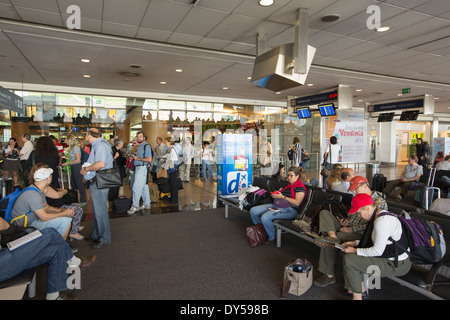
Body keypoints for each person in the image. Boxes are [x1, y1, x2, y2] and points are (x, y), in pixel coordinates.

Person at [0, 219, 94, 300]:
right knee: (50, 233)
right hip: (3, 263)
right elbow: (6, 226)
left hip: (5, 255)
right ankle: (74, 261)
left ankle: (53, 297)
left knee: (57, 249)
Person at [340, 193, 411, 300]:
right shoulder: (381, 215)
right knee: (353, 259)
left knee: (350, 260)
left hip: (397, 264)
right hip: (391, 257)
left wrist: (354, 250)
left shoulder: (382, 222)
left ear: (368, 208)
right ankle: (359, 290)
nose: (359, 216)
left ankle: (357, 297)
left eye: (359, 213)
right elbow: (379, 242)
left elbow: (377, 251)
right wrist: (355, 243)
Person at [10, 167, 74, 240]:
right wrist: (65, 214)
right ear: (48, 179)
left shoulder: (37, 189)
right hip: (27, 226)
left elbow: (46, 207)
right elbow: (44, 217)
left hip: (31, 221)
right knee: (65, 221)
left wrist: (61, 211)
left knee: (64, 218)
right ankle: (58, 246)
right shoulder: (34, 195)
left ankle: (56, 244)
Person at [27, 163, 85, 241]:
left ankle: (74, 227)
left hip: (41, 214)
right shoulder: (40, 190)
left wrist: (61, 211)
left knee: (74, 208)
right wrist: (63, 212)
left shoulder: (37, 187)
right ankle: (72, 233)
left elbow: (46, 207)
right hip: (33, 222)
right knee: (73, 212)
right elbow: (45, 215)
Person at [249, 166, 306, 244]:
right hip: (278, 205)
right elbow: (281, 196)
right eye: (288, 175)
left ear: (297, 176)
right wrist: (275, 195)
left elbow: (297, 203)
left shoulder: (300, 188)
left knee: (265, 217)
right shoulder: (288, 186)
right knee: (253, 211)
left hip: (290, 210)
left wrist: (282, 197)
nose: (288, 177)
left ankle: (272, 236)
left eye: (291, 175)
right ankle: (263, 231)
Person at [80, 128, 114, 249]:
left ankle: (105, 238)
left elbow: (101, 164)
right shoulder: (100, 144)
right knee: (96, 210)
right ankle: (96, 234)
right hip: (97, 181)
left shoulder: (100, 145)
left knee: (100, 212)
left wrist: (86, 170)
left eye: (86, 135)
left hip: (99, 182)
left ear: (90, 135)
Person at [127, 132, 152, 214]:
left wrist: (138, 158)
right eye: (138, 137)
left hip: (142, 168)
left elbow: (149, 159)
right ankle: (146, 204)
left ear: (144, 138)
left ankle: (135, 206)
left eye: (140, 137)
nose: (139, 138)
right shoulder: (140, 146)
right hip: (139, 168)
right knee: (144, 187)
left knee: (136, 188)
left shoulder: (146, 146)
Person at [62, 134, 86, 206]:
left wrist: (68, 163)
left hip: (76, 167)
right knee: (73, 184)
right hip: (73, 167)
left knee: (79, 184)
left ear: (69, 140)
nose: (65, 141)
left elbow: (78, 160)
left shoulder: (75, 147)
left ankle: (83, 200)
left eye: (66, 139)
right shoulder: (71, 148)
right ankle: (75, 200)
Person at [162, 137, 181, 205]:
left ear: (170, 142)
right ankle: (173, 198)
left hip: (173, 170)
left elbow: (175, 160)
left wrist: (172, 169)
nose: (165, 143)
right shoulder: (172, 149)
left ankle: (174, 200)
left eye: (166, 142)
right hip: (173, 169)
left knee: (173, 185)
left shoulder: (173, 149)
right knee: (172, 184)